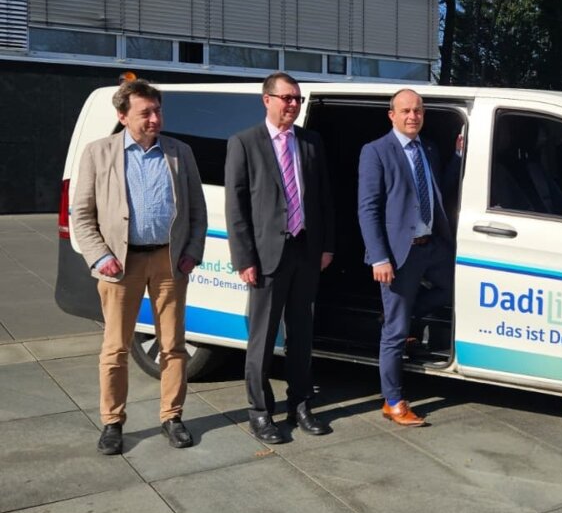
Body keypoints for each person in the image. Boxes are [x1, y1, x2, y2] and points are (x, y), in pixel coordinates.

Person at [72, 78, 207, 455]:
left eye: (157, 111)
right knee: (115, 348)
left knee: (173, 346)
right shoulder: (99, 153)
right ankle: (112, 422)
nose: (154, 119)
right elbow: (81, 213)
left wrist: (192, 252)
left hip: (169, 262)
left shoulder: (179, 152)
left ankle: (172, 416)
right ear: (123, 116)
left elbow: (197, 210)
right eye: (145, 113)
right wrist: (100, 256)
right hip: (120, 264)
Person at [224, 72, 334, 444]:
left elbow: (323, 198)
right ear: (267, 99)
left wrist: (327, 245)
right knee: (263, 337)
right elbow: (236, 207)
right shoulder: (244, 143)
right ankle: (260, 411)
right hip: (267, 256)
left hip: (306, 251)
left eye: (297, 99)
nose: (293, 105)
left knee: (301, 335)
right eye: (286, 97)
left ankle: (301, 404)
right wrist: (244, 259)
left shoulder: (310, 141)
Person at [358, 88, 456, 426]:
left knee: (454, 290)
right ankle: (393, 401)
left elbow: (439, 189)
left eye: (418, 110)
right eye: (405, 111)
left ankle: (403, 314)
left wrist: (458, 156)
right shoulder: (376, 151)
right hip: (399, 254)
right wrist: (379, 258)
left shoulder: (428, 149)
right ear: (392, 115)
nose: (413, 116)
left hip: (432, 246)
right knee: (396, 332)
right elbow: (368, 209)